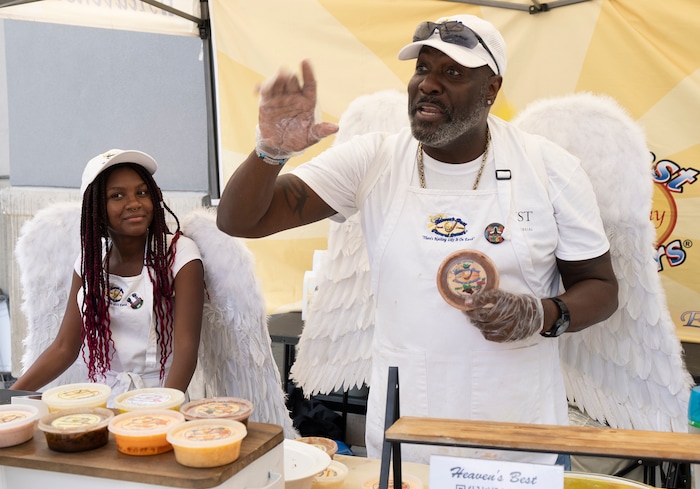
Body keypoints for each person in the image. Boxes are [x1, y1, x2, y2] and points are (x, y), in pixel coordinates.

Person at [216, 14, 618, 464]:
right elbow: (241, 220)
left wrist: (543, 313)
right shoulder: (373, 160)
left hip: (519, 427)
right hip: (409, 429)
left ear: (492, 88)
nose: (427, 84)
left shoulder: (550, 168)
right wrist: (270, 152)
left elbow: (600, 287)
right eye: (422, 68)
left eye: (452, 72)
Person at [12, 149, 205, 400]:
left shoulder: (180, 254)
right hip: (102, 398)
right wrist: (9, 398)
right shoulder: (89, 264)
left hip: (165, 395)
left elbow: (186, 350)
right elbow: (64, 348)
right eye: (117, 195)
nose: (134, 202)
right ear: (97, 210)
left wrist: (163, 410)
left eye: (142, 192)